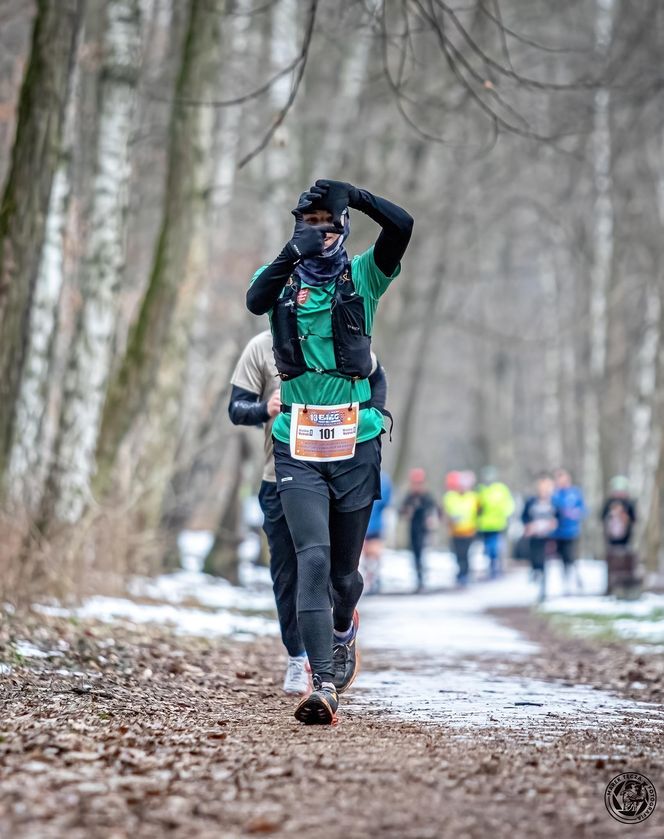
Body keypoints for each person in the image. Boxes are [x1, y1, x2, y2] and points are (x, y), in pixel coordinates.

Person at [246, 178, 413, 724]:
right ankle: (322, 686)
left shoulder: (363, 275)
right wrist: (290, 251)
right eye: (307, 223)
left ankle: (344, 629)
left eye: (326, 222)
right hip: (295, 441)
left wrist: (358, 196)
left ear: (342, 228)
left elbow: (404, 225)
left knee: (344, 575)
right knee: (310, 560)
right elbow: (253, 301)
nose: (317, 231)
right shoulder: (281, 277)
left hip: (355, 439)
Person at [228, 330, 388, 696]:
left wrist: (373, 417)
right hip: (279, 476)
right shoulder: (260, 347)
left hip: (337, 472)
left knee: (335, 572)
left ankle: (338, 635)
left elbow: (377, 375)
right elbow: (236, 408)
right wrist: (265, 408)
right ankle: (299, 658)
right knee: (288, 573)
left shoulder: (338, 335)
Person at [399, 468, 439, 592]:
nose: (417, 486)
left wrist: (432, 518)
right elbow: (401, 512)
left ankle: (424, 578)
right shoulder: (409, 497)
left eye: (419, 483)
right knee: (415, 554)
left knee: (424, 553)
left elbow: (436, 510)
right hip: (414, 529)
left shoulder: (427, 497)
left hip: (425, 530)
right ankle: (418, 579)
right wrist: (407, 512)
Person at [521, 472, 558, 601]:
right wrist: (528, 526)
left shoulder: (554, 501)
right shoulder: (531, 501)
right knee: (534, 558)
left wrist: (553, 525)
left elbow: (559, 517)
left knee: (544, 561)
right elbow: (524, 516)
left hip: (549, 537)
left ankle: (543, 589)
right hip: (534, 535)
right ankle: (535, 572)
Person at [601, 476, 639, 596]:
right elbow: (602, 517)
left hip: (626, 540)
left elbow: (634, 519)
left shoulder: (629, 503)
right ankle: (610, 586)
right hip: (612, 540)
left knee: (626, 562)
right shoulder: (608, 503)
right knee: (612, 562)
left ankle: (626, 586)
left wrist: (624, 517)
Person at [552, 468, 586, 593]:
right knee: (562, 557)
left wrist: (576, 513)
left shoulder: (575, 493)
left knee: (571, 556)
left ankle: (576, 578)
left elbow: (583, 509)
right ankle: (567, 579)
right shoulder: (554, 494)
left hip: (572, 531)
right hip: (558, 532)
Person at [476, 466, 515, 579]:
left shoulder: (500, 489)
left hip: (498, 524)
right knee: (488, 548)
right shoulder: (481, 490)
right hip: (484, 525)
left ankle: (496, 567)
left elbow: (508, 504)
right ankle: (492, 566)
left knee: (495, 547)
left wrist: (507, 516)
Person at [442, 470, 479, 586]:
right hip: (455, 531)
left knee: (465, 554)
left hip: (469, 531)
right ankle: (461, 572)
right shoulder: (450, 497)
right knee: (458, 554)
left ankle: (465, 573)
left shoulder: (473, 497)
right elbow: (445, 512)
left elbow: (479, 511)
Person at [362, 471, 393, 595]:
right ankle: (370, 581)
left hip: (373, 526)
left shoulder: (383, 480)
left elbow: (386, 502)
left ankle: (374, 580)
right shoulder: (382, 480)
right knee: (365, 556)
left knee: (373, 555)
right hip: (365, 525)